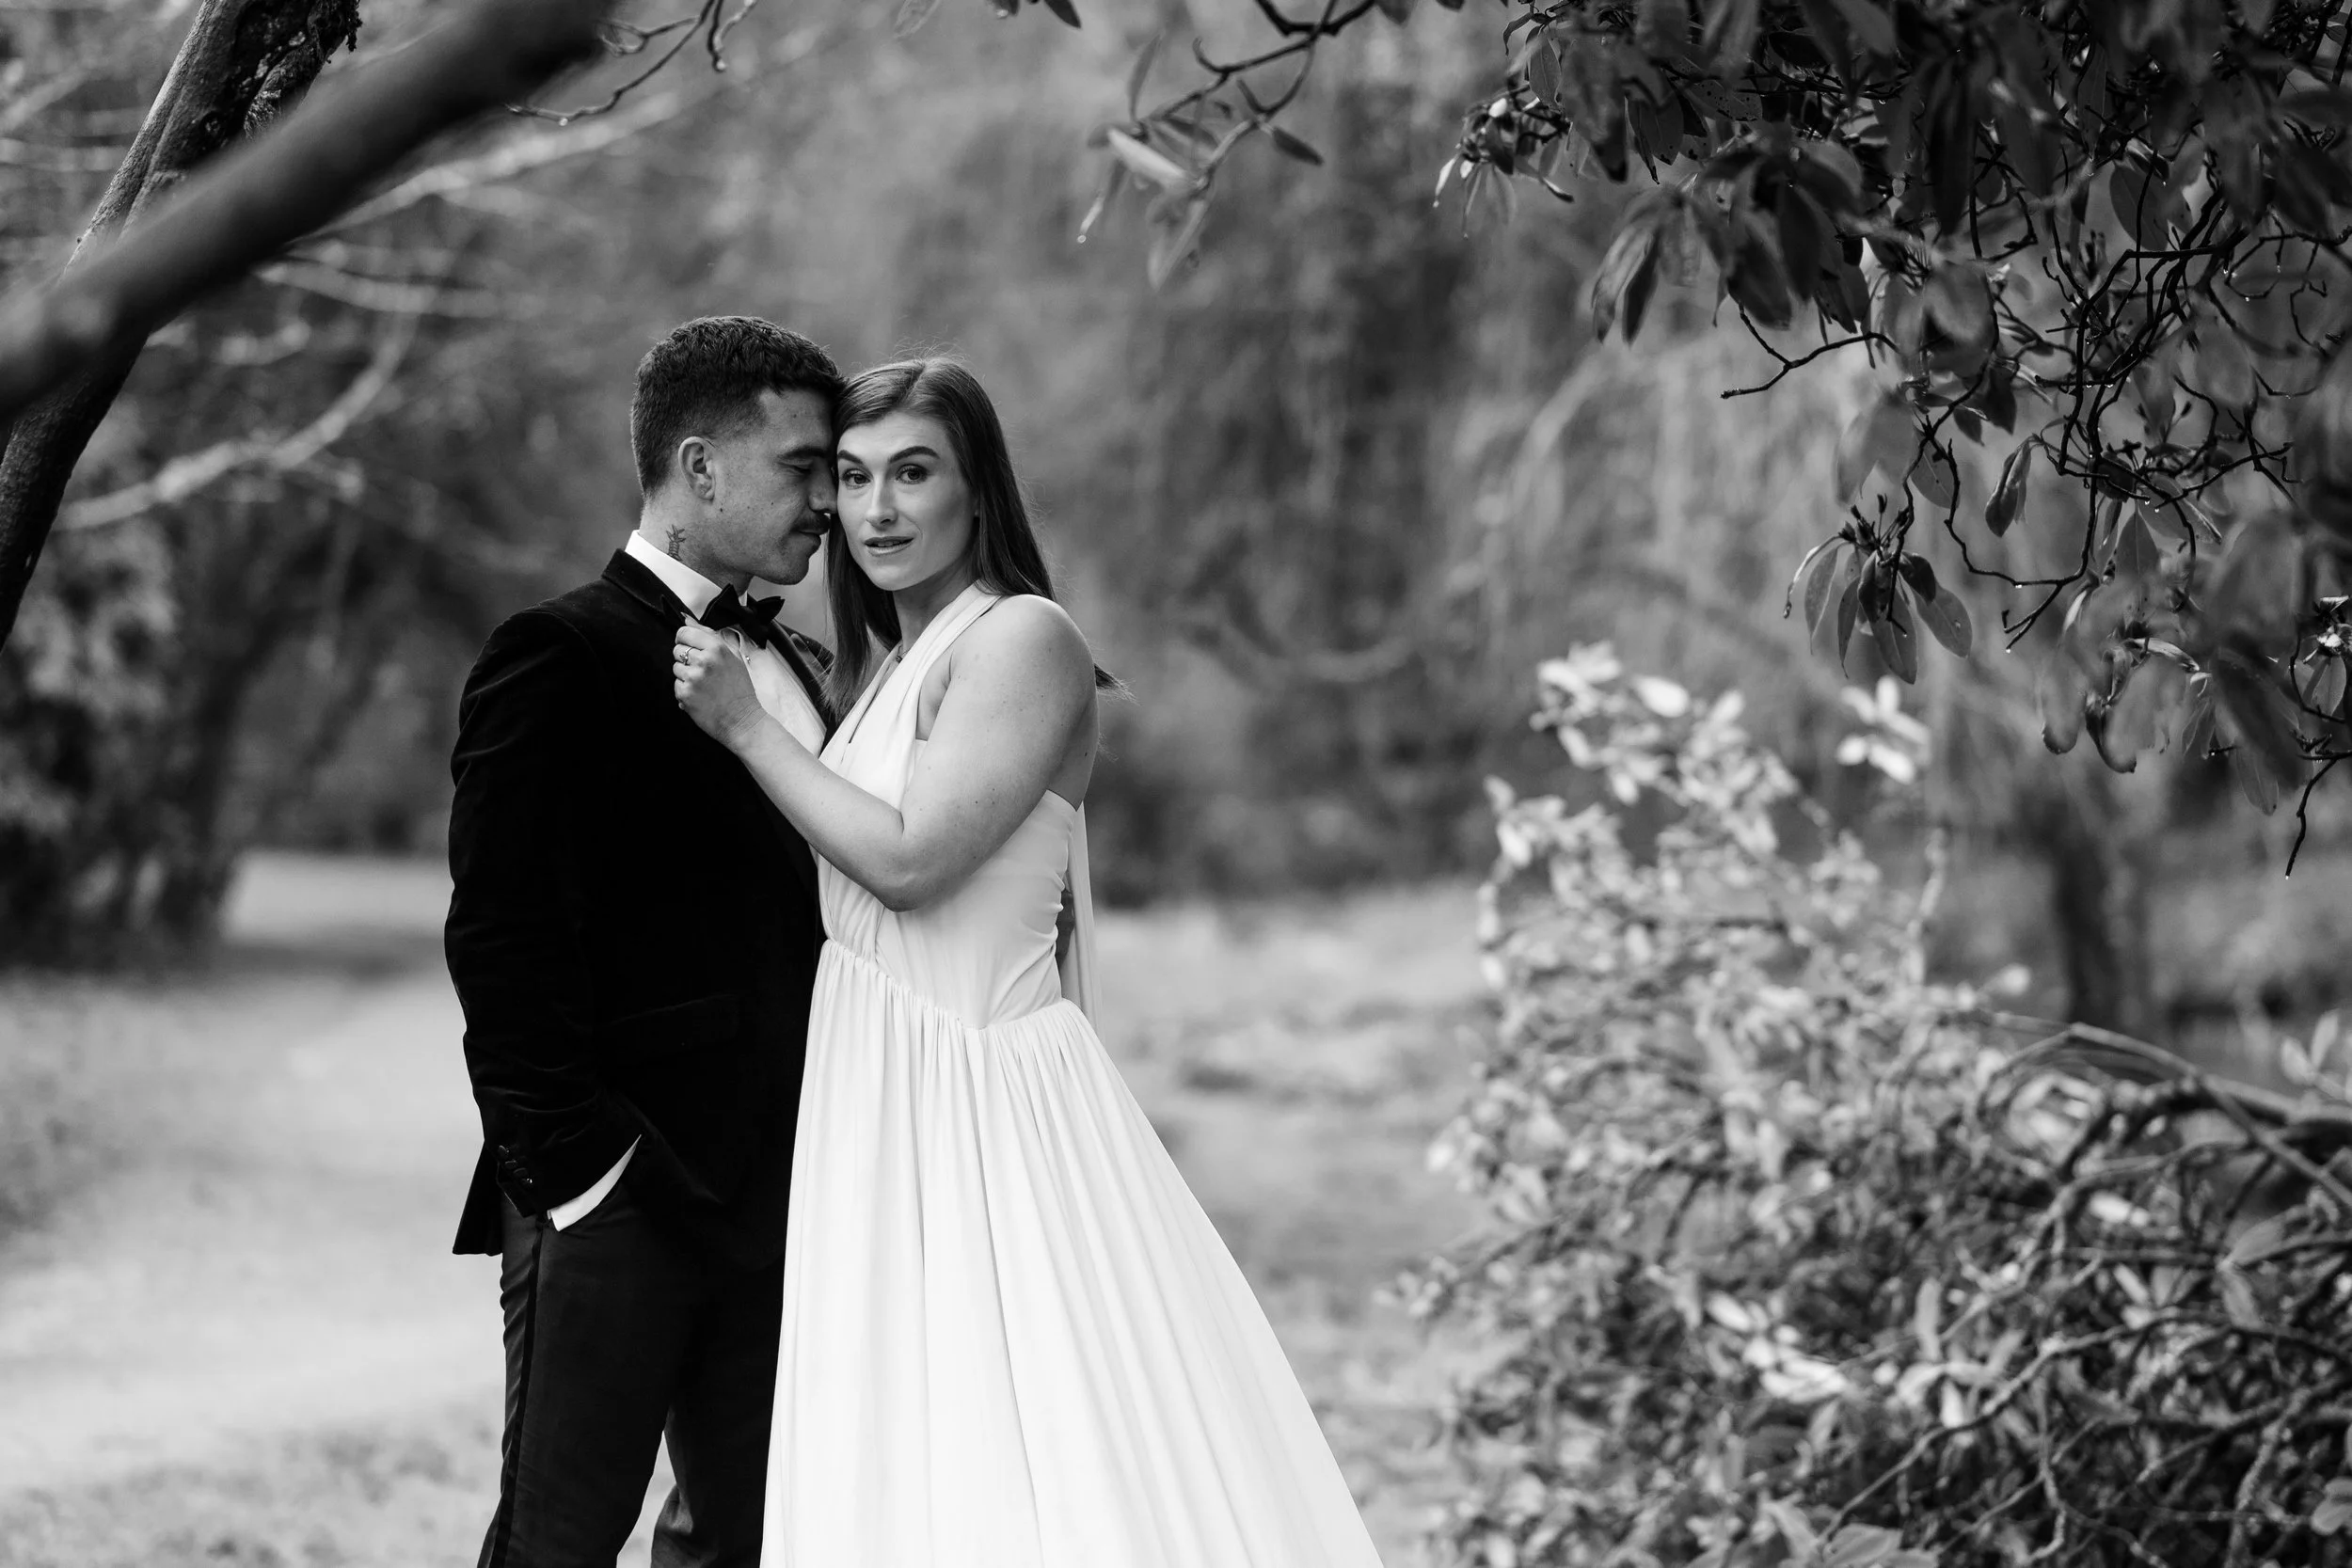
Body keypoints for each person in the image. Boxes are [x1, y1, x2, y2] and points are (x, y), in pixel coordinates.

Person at [673, 357, 1389, 1565]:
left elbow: (912, 862)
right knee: (899, 1438)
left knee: (1024, 1435)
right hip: (874, 1093)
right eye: (853, 476)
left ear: (978, 489)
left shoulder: (1023, 637)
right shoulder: (887, 665)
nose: (878, 509)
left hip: (976, 1092)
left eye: (913, 473)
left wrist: (746, 726)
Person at [445, 316, 841, 1568]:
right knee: (557, 1544)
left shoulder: (799, 662)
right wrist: (582, 1175)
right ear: (700, 467)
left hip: (783, 1199)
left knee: (746, 1542)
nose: (829, 502)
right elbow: (500, 939)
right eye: (803, 467)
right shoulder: (556, 653)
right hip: (620, 1196)